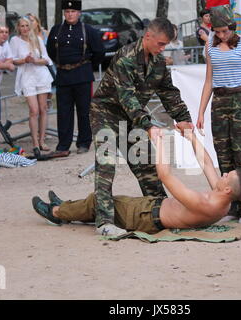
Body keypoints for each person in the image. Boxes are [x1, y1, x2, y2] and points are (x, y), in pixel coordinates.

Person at [31, 128, 241, 234]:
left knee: (98, 202)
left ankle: (57, 213)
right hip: (150, 210)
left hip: (146, 217)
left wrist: (160, 142)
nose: (223, 174)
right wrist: (191, 136)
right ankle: (67, 206)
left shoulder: (207, 204)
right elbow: (206, 162)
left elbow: (165, 176)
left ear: (226, 190)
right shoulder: (222, 200)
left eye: (227, 176)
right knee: (103, 202)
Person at [90, 17, 194, 236]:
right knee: (106, 163)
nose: (163, 48)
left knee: (146, 164)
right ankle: (104, 222)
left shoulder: (158, 62)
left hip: (132, 118)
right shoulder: (125, 58)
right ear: (148, 36)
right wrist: (147, 125)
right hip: (106, 113)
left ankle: (163, 213)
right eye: (161, 44)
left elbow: (168, 92)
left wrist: (182, 118)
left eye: (166, 45)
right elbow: (127, 97)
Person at [196, 6, 241, 224]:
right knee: (223, 154)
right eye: (218, 31)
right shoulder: (210, 45)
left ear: (232, 27)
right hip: (219, 102)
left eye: (225, 31)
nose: (222, 35)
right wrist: (201, 112)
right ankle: (232, 205)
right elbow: (208, 81)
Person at [46, 0, 105, 157]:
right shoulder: (57, 30)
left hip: (82, 75)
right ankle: (63, 145)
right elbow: (51, 51)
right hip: (63, 76)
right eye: (67, 11)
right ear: (64, 13)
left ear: (79, 13)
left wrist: (87, 67)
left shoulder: (88, 30)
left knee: (84, 111)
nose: (70, 14)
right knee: (63, 112)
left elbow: (99, 52)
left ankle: (84, 142)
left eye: (73, 12)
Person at [10, 16, 54, 157]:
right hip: (26, 77)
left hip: (41, 76)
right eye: (22, 26)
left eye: (27, 26)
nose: (24, 28)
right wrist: (24, 60)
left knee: (43, 109)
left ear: (30, 27)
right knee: (33, 110)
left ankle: (42, 140)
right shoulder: (15, 41)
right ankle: (34, 142)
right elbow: (13, 60)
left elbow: (47, 60)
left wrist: (35, 60)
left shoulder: (38, 39)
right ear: (18, 27)